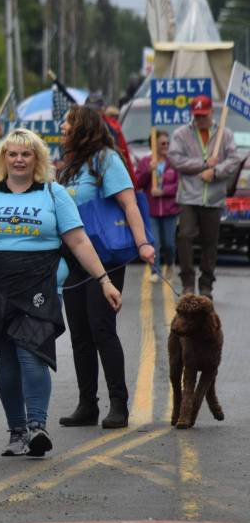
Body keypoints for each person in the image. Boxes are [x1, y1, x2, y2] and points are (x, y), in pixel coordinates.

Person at [0, 129, 121, 457]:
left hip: (38, 290)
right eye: (13, 154)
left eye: (26, 154)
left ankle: (37, 426)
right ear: (3, 159)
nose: (19, 160)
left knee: (32, 356)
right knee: (6, 365)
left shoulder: (54, 195)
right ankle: (16, 432)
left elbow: (79, 241)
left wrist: (104, 280)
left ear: (37, 159)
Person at [57, 104, 154, 430]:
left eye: (67, 125)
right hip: (73, 259)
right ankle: (87, 405)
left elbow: (130, 204)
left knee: (102, 328)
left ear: (82, 127)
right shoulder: (68, 165)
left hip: (105, 257)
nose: (62, 130)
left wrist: (142, 243)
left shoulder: (106, 160)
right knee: (80, 333)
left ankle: (119, 404)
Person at [168, 94, 243, 298]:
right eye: (197, 115)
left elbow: (234, 159)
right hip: (188, 197)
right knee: (184, 236)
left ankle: (207, 285)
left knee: (211, 242)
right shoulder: (181, 134)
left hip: (213, 198)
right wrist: (202, 165)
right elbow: (176, 159)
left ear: (211, 113)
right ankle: (188, 283)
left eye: (204, 115)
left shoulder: (224, 134)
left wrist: (216, 171)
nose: (200, 119)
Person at [135, 130, 180, 283]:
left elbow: (179, 185)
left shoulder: (173, 162)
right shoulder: (146, 162)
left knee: (169, 243)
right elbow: (137, 183)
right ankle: (156, 270)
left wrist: (164, 191)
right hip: (151, 210)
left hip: (169, 210)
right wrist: (148, 171)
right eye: (162, 143)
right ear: (153, 145)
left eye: (167, 143)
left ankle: (170, 264)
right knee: (155, 242)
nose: (165, 146)